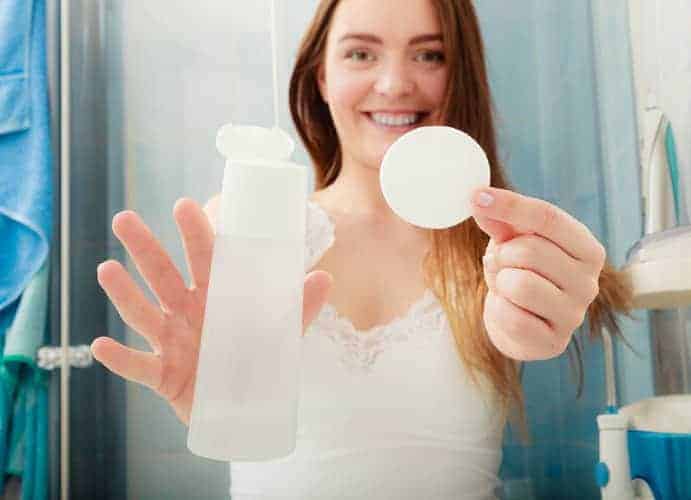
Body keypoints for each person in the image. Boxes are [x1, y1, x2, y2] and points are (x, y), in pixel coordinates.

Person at [91, 0, 632, 498]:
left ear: (459, 74)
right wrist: (215, 403)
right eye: (361, 53)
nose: (395, 83)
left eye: (429, 54)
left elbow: (554, 311)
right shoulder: (247, 230)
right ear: (322, 76)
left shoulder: (501, 247)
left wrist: (541, 312)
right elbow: (230, 416)